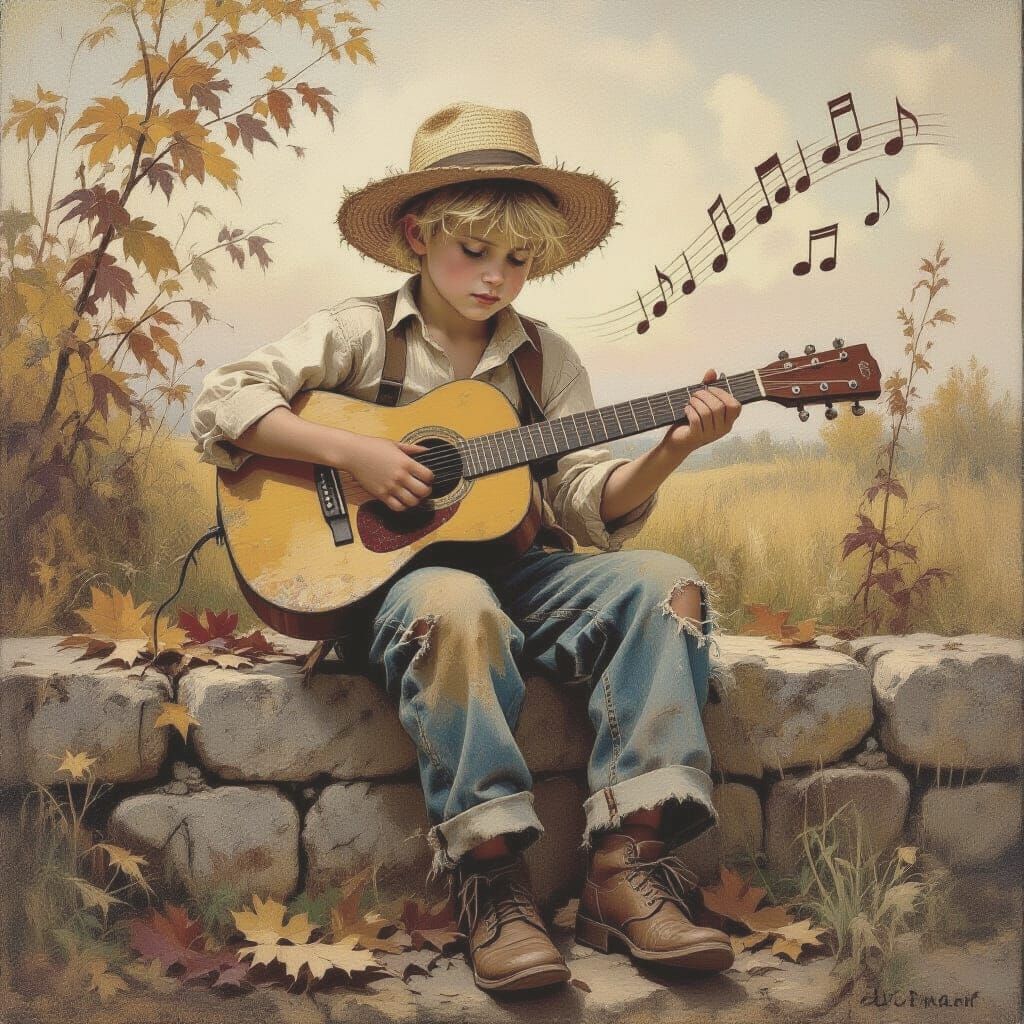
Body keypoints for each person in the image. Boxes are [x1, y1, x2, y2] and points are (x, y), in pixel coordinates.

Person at [190, 101, 742, 994]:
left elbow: (586, 499)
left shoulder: (542, 363)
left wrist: (671, 449)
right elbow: (225, 400)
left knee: (667, 584)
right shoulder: (359, 331)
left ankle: (626, 869)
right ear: (416, 233)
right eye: (473, 252)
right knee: (456, 600)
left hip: (522, 573)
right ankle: (491, 880)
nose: (495, 278)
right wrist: (355, 452)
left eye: (518, 261)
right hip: (398, 592)